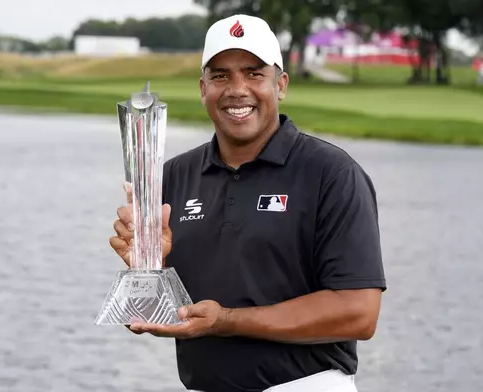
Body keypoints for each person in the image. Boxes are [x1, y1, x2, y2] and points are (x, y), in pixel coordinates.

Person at [110, 14, 387, 392]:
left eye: (254, 73)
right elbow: (149, 318)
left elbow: (358, 314)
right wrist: (148, 271)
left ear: (281, 84)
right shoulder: (172, 176)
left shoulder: (331, 173)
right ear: (202, 87)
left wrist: (226, 320)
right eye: (221, 75)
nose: (237, 89)